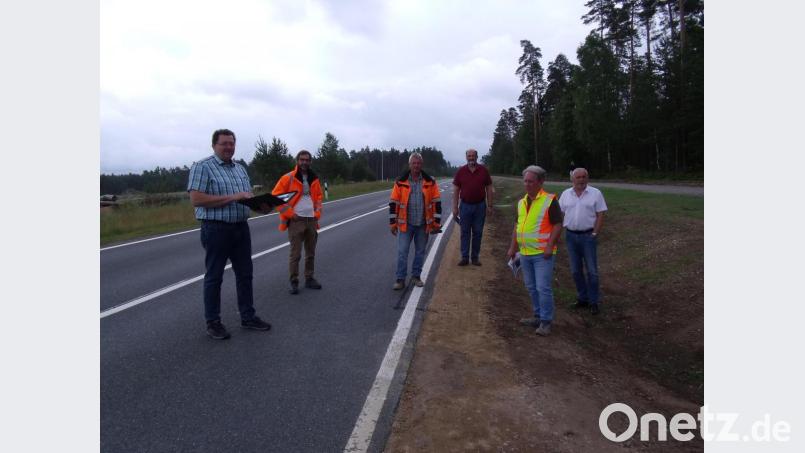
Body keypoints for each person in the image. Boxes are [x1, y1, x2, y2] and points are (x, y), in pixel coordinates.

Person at [187, 129, 272, 340]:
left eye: (231, 144)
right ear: (214, 145)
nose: (228, 147)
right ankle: (213, 322)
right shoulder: (202, 167)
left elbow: (245, 198)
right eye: (224, 143)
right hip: (216, 229)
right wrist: (234, 197)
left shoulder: (240, 169)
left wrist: (260, 206)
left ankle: (248, 316)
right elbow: (196, 199)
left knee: (245, 274)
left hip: (241, 228)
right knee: (214, 277)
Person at [506, 165, 563, 336]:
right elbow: (517, 226)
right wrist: (512, 247)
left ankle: (546, 322)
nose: (527, 184)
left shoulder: (549, 200)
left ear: (540, 182)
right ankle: (537, 316)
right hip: (524, 253)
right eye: (525, 181)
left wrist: (549, 246)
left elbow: (558, 225)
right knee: (531, 286)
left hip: (542, 254)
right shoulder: (521, 202)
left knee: (542, 287)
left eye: (531, 181)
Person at [272, 150, 324, 295]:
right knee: (296, 254)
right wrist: (290, 214)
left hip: (311, 220)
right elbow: (275, 197)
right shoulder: (288, 178)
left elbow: (318, 196)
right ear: (297, 161)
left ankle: (309, 278)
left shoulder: (314, 178)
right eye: (302, 160)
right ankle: (294, 281)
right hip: (296, 221)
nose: (304, 162)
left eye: (307, 160)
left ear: (310, 162)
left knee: (310, 253)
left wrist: (317, 213)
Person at [389, 152, 442, 290]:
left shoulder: (430, 182)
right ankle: (400, 279)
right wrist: (393, 224)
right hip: (405, 224)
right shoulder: (400, 182)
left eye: (418, 163)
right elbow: (393, 203)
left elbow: (437, 203)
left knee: (420, 252)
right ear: (410, 165)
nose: (416, 166)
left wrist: (436, 224)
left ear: (421, 165)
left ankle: (416, 276)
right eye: (414, 163)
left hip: (423, 224)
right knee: (402, 252)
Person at [558, 168, 607, 315]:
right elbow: (559, 213)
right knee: (575, 270)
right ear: (572, 179)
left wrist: (594, 233)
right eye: (578, 177)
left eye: (584, 176)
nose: (581, 179)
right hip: (571, 236)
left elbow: (600, 215)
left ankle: (594, 301)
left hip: (588, 237)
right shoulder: (566, 194)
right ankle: (582, 298)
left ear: (588, 178)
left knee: (592, 271)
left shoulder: (596, 193)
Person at [452, 148, 494, 266]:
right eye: (469, 156)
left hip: (480, 206)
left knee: (478, 232)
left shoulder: (483, 170)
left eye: (473, 156)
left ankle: (475, 257)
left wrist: (490, 205)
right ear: (466, 157)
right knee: (464, 232)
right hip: (465, 206)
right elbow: (455, 190)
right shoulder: (461, 171)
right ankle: (465, 257)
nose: (471, 158)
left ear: (477, 157)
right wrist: (455, 207)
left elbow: (489, 188)